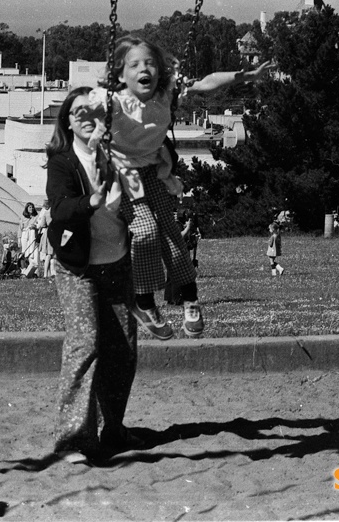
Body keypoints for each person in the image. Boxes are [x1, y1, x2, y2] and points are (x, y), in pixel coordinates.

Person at [81, 35, 274, 340]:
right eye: (134, 65)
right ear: (120, 75)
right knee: (145, 232)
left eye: (149, 63)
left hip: (154, 170)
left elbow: (207, 82)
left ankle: (190, 300)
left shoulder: (165, 93)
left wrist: (245, 75)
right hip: (123, 174)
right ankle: (144, 302)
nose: (144, 69)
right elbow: (81, 111)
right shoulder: (113, 102)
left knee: (172, 236)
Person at [45, 86, 141, 464]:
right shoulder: (63, 161)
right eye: (77, 111)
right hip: (77, 267)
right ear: (67, 121)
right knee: (85, 345)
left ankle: (112, 428)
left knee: (123, 351)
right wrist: (91, 202)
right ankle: (72, 440)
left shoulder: (118, 156)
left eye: (93, 111)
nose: (86, 116)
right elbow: (60, 208)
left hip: (117, 262)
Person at [18, 202, 41, 274]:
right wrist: (19, 238)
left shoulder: (36, 217)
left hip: (32, 235)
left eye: (32, 207)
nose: (31, 209)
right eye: (30, 207)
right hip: (25, 235)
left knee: (32, 252)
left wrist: (35, 227)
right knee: (24, 252)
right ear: (27, 208)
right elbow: (20, 228)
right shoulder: (23, 217)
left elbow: (39, 225)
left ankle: (33, 270)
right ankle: (24, 269)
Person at [36, 200, 56, 277]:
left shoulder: (46, 213)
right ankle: (50, 273)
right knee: (52, 254)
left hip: (48, 233)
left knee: (48, 254)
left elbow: (42, 224)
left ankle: (46, 274)